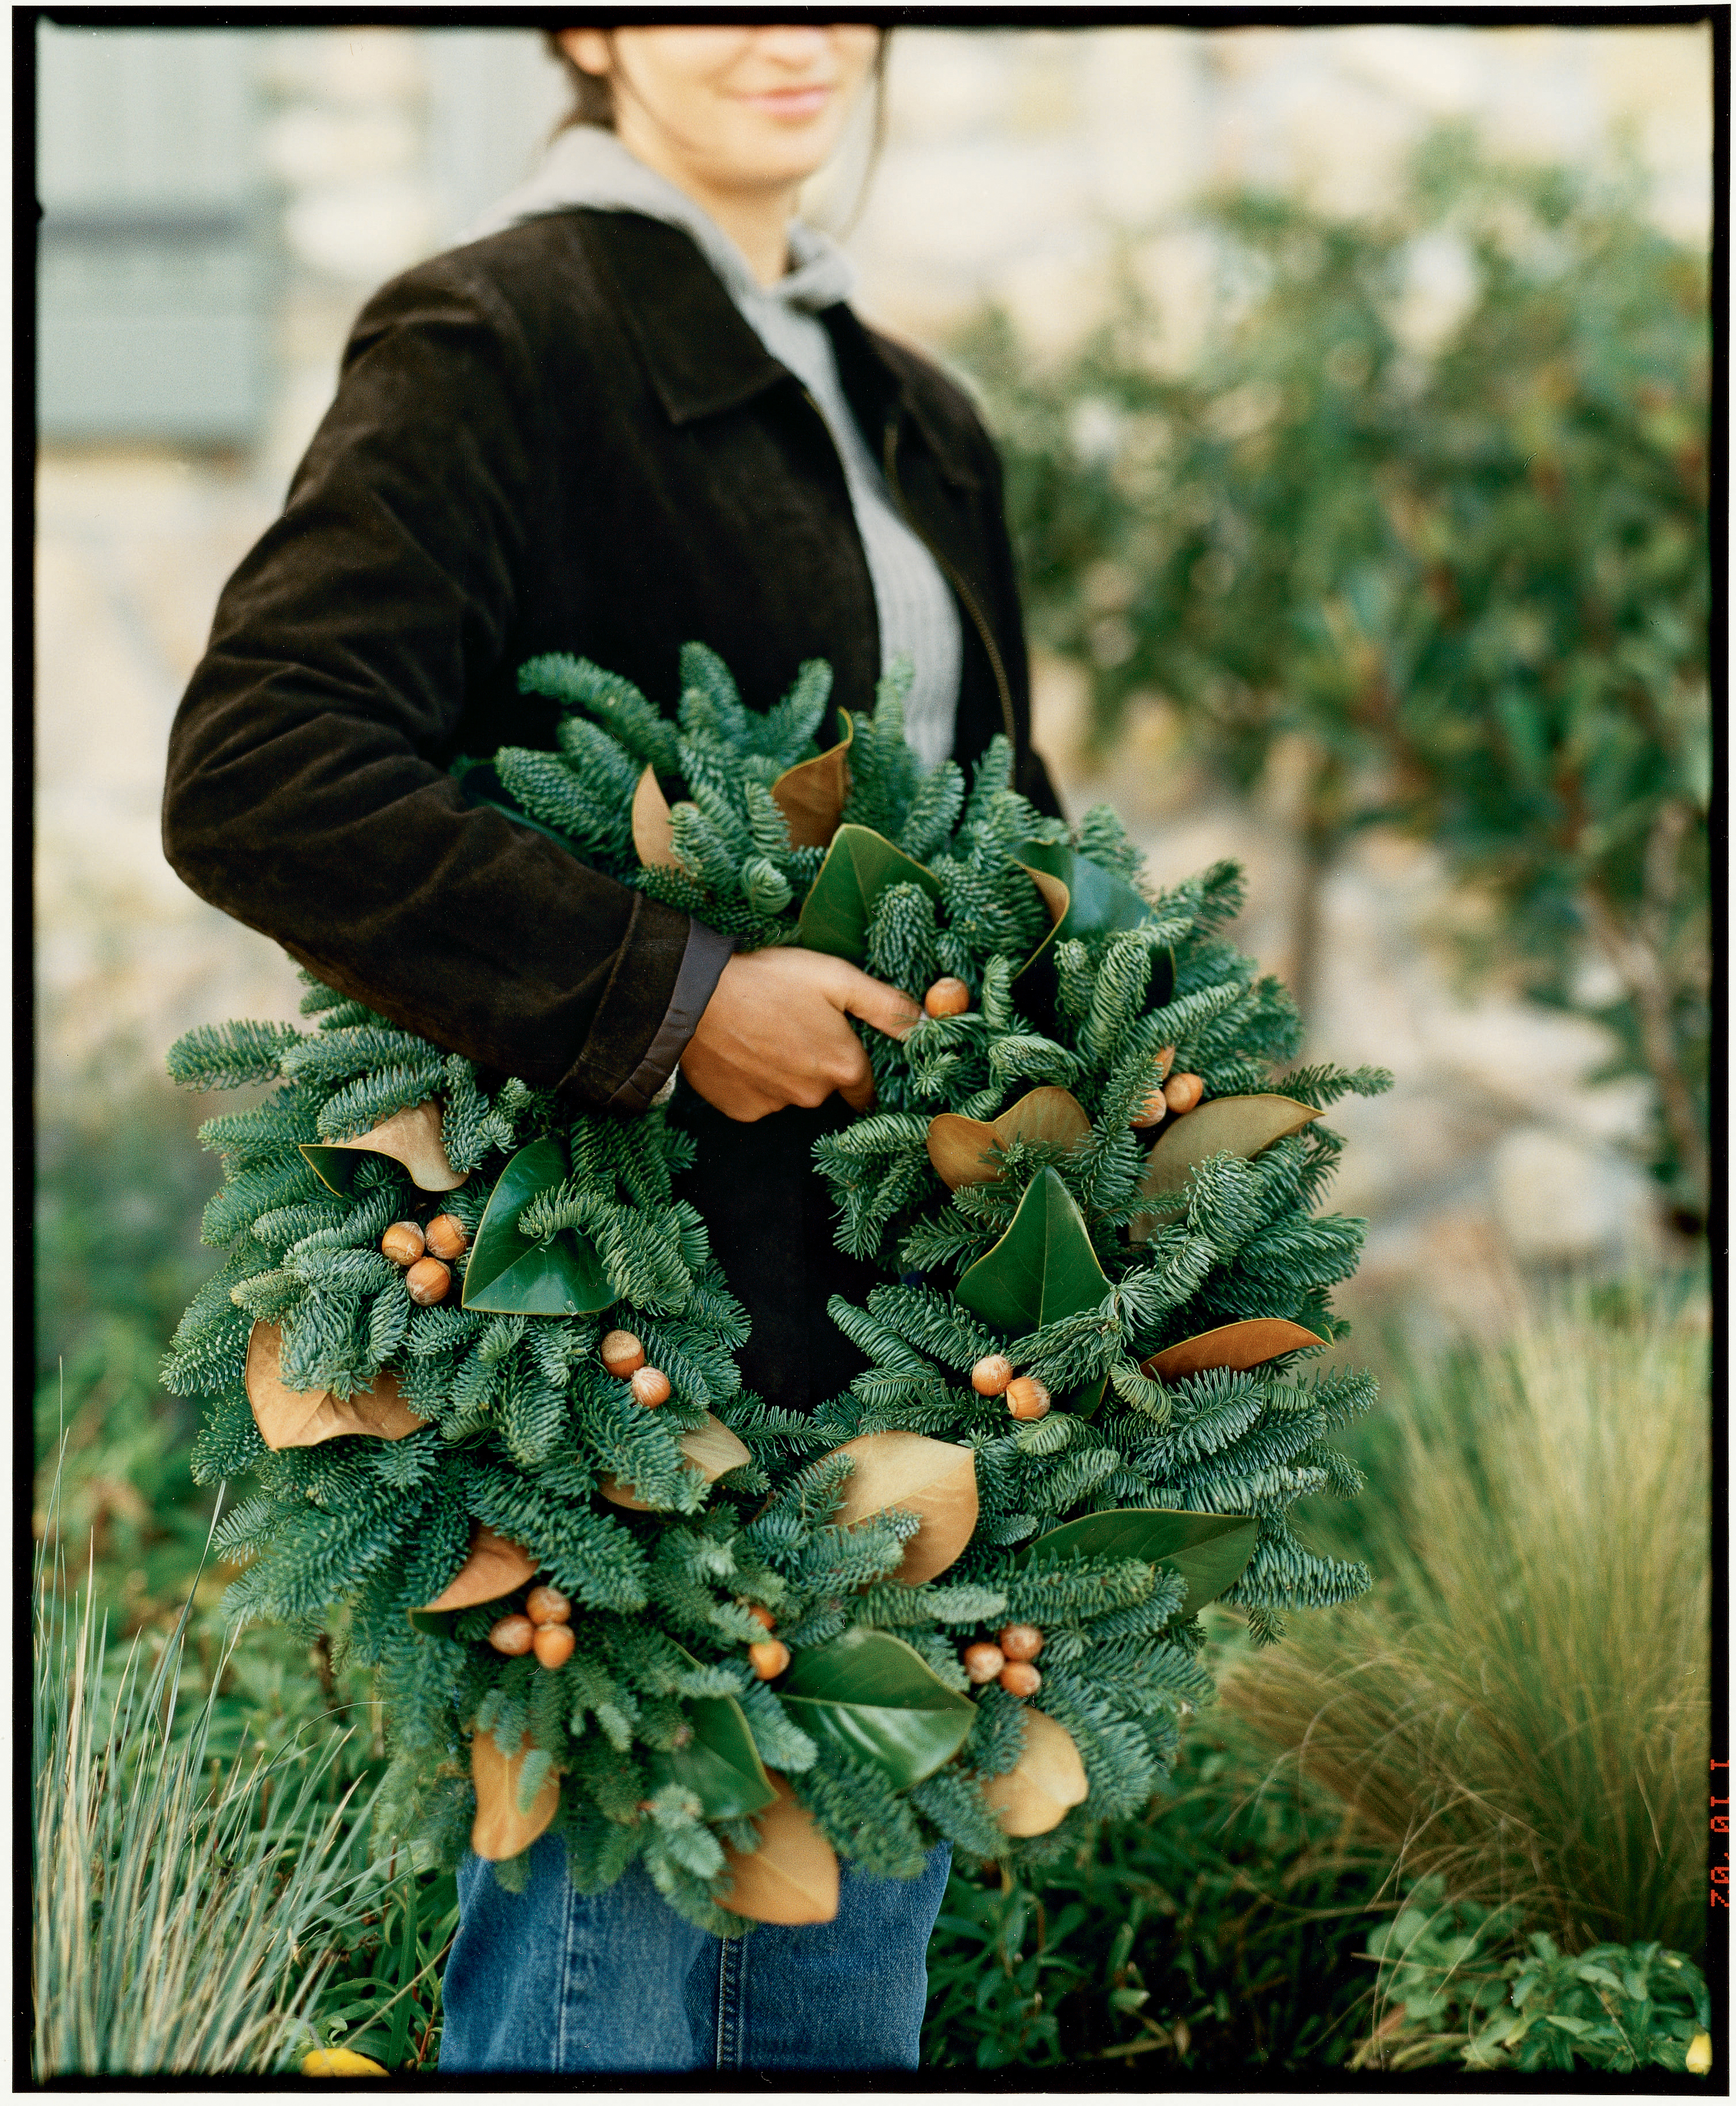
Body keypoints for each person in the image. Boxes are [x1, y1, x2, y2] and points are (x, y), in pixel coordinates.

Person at [162, 22, 1058, 2074]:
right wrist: (669, 999)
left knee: (846, 1993)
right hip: (613, 1363)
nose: (784, 34)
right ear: (584, 31)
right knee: (610, 2004)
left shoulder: (908, 407)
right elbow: (260, 767)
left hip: (901, 1335)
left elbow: (990, 824)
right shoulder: (504, 332)